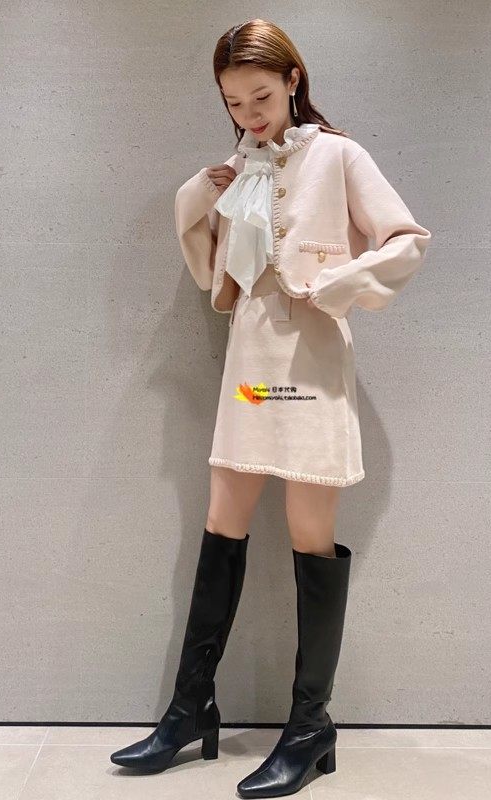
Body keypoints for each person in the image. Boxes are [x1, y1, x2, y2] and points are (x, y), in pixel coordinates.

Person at [111, 17, 432, 799]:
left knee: (306, 535)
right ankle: (190, 709)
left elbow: (405, 239)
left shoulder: (339, 155)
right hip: (252, 371)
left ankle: (310, 727)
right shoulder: (240, 167)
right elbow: (210, 274)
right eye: (232, 102)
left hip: (310, 367)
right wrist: (202, 191)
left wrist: (335, 285)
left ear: (293, 80)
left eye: (260, 96)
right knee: (222, 521)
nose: (248, 114)